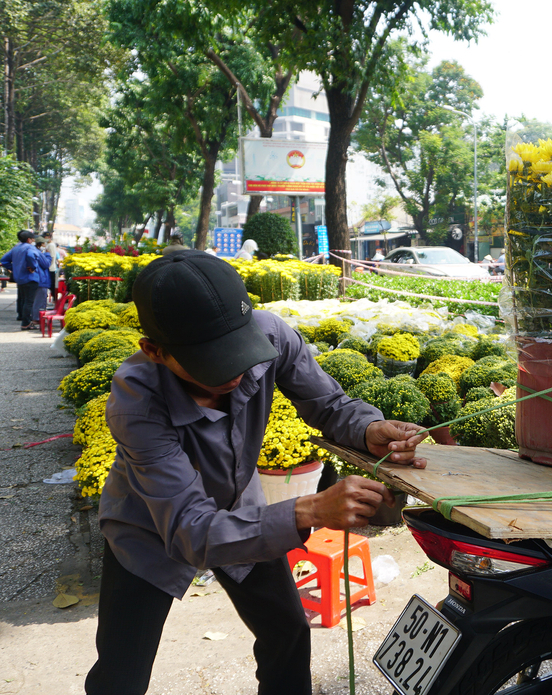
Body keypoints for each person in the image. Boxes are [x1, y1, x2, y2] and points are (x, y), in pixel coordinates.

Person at [84, 250, 427, 694]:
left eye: (240, 351)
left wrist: (368, 428)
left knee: (287, 632)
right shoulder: (137, 403)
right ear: (154, 350)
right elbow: (192, 530)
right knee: (121, 673)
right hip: (150, 525)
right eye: (213, 361)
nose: (236, 371)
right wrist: (309, 510)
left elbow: (329, 405)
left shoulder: (270, 335)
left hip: (242, 511)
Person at [1, 230, 50, 330]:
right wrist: (33, 266)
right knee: (29, 301)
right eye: (32, 239)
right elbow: (33, 257)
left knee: (23, 300)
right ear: (29, 239)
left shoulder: (15, 248)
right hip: (30, 278)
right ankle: (26, 323)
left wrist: (15, 268)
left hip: (19, 278)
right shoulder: (30, 248)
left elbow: (4, 260)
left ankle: (24, 319)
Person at [43, 230, 60, 302]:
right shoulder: (48, 244)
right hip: (49, 267)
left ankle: (54, 300)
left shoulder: (51, 245)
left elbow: (52, 256)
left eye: (46, 237)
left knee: (52, 285)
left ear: (49, 237)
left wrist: (49, 265)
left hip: (51, 268)